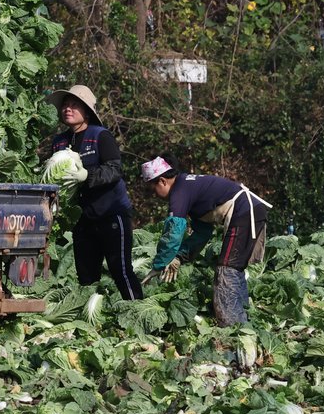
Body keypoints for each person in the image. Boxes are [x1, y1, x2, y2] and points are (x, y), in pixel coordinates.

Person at [139, 157, 272, 326]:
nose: (155, 196)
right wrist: (179, 257)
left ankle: (232, 326)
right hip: (250, 210)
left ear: (162, 181)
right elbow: (202, 233)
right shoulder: (189, 188)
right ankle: (242, 321)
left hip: (244, 212)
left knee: (227, 270)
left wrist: (159, 264)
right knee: (234, 269)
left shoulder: (179, 192)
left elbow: (173, 231)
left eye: (153, 190)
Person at [46, 84, 144, 300]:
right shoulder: (59, 142)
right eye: (65, 106)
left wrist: (87, 176)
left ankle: (136, 310)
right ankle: (94, 322)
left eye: (74, 105)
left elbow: (115, 169)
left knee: (120, 269)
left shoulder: (100, 136)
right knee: (86, 275)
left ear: (87, 111)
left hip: (111, 213)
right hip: (82, 219)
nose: (67, 109)